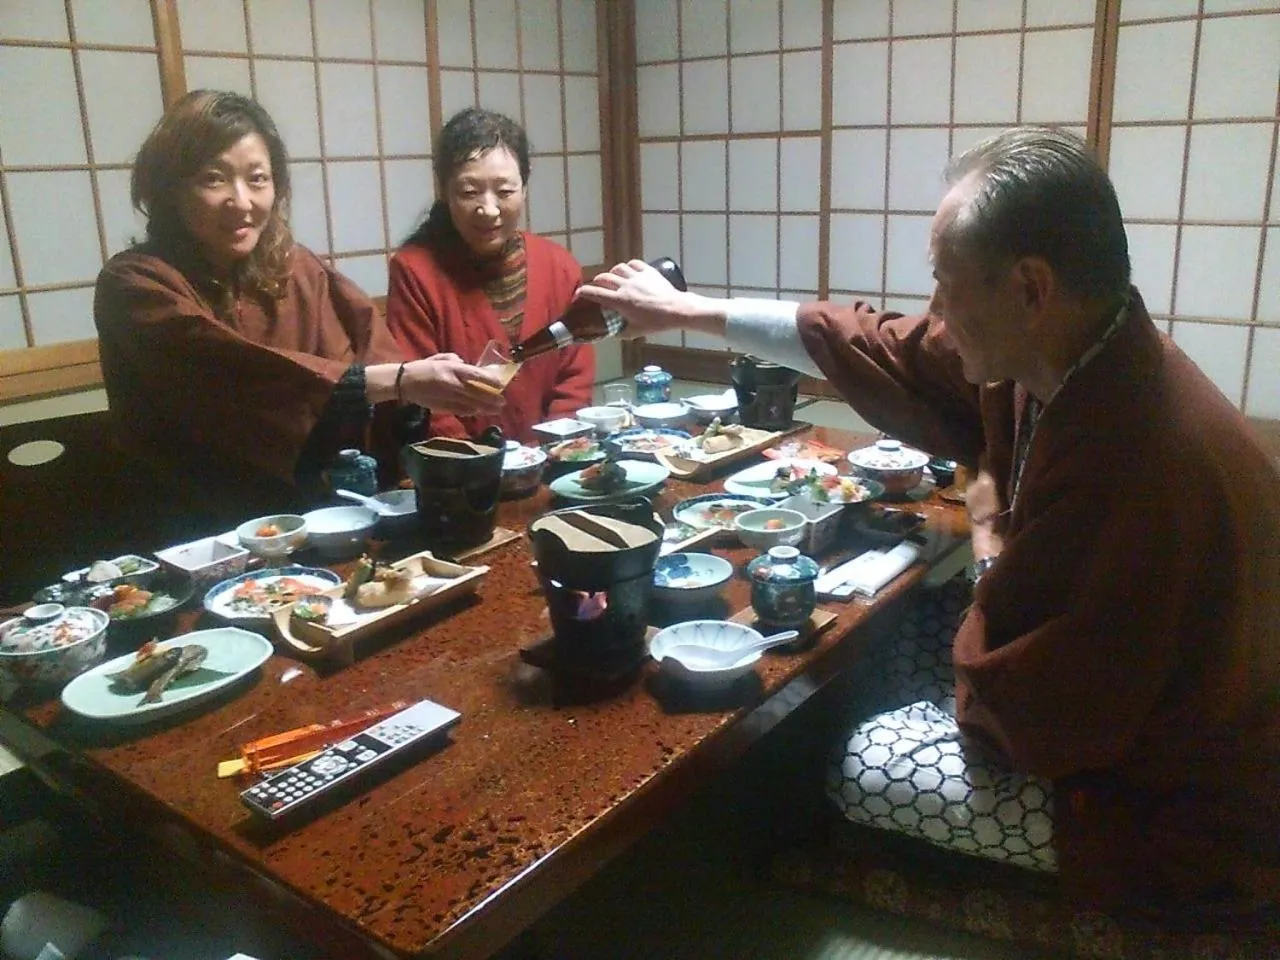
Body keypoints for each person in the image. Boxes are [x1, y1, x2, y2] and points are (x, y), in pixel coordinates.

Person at [577, 127, 1280, 927]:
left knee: (860, 761)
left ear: (1031, 287)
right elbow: (876, 343)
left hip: (1175, 813)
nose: (935, 312)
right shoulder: (1072, 354)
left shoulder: (1139, 456)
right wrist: (686, 312)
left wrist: (987, 570)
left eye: (946, 285)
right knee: (883, 640)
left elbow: (1050, 719)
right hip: (1103, 705)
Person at [94, 90, 504, 513]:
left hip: (323, 513)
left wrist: (411, 397)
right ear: (170, 188)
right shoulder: (135, 283)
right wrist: (396, 381)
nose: (243, 202)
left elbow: (369, 345)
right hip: (196, 521)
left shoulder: (294, 267)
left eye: (258, 179)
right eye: (214, 179)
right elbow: (236, 374)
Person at [386, 108, 594, 444]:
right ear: (445, 193)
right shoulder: (415, 270)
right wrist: (475, 463)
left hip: (554, 461)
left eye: (505, 191)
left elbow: (575, 379)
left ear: (524, 189)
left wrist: (554, 452)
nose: (489, 209)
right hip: (460, 471)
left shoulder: (560, 266)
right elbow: (420, 390)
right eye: (469, 192)